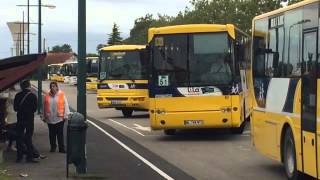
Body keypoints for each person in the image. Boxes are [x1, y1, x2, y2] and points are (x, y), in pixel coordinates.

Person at [13, 80, 38, 163]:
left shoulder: (18, 95)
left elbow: (15, 108)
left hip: (20, 119)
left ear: (21, 87)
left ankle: (19, 157)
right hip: (29, 119)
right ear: (29, 86)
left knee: (19, 138)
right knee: (28, 138)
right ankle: (29, 157)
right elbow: (35, 109)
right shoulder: (33, 96)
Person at [43, 82, 70, 153]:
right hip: (50, 118)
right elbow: (44, 106)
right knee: (52, 134)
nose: (53, 88)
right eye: (51, 86)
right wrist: (44, 116)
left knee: (60, 134)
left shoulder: (61, 94)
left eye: (54, 86)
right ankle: (53, 147)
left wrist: (66, 115)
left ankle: (61, 148)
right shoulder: (47, 95)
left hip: (59, 118)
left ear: (57, 87)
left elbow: (66, 105)